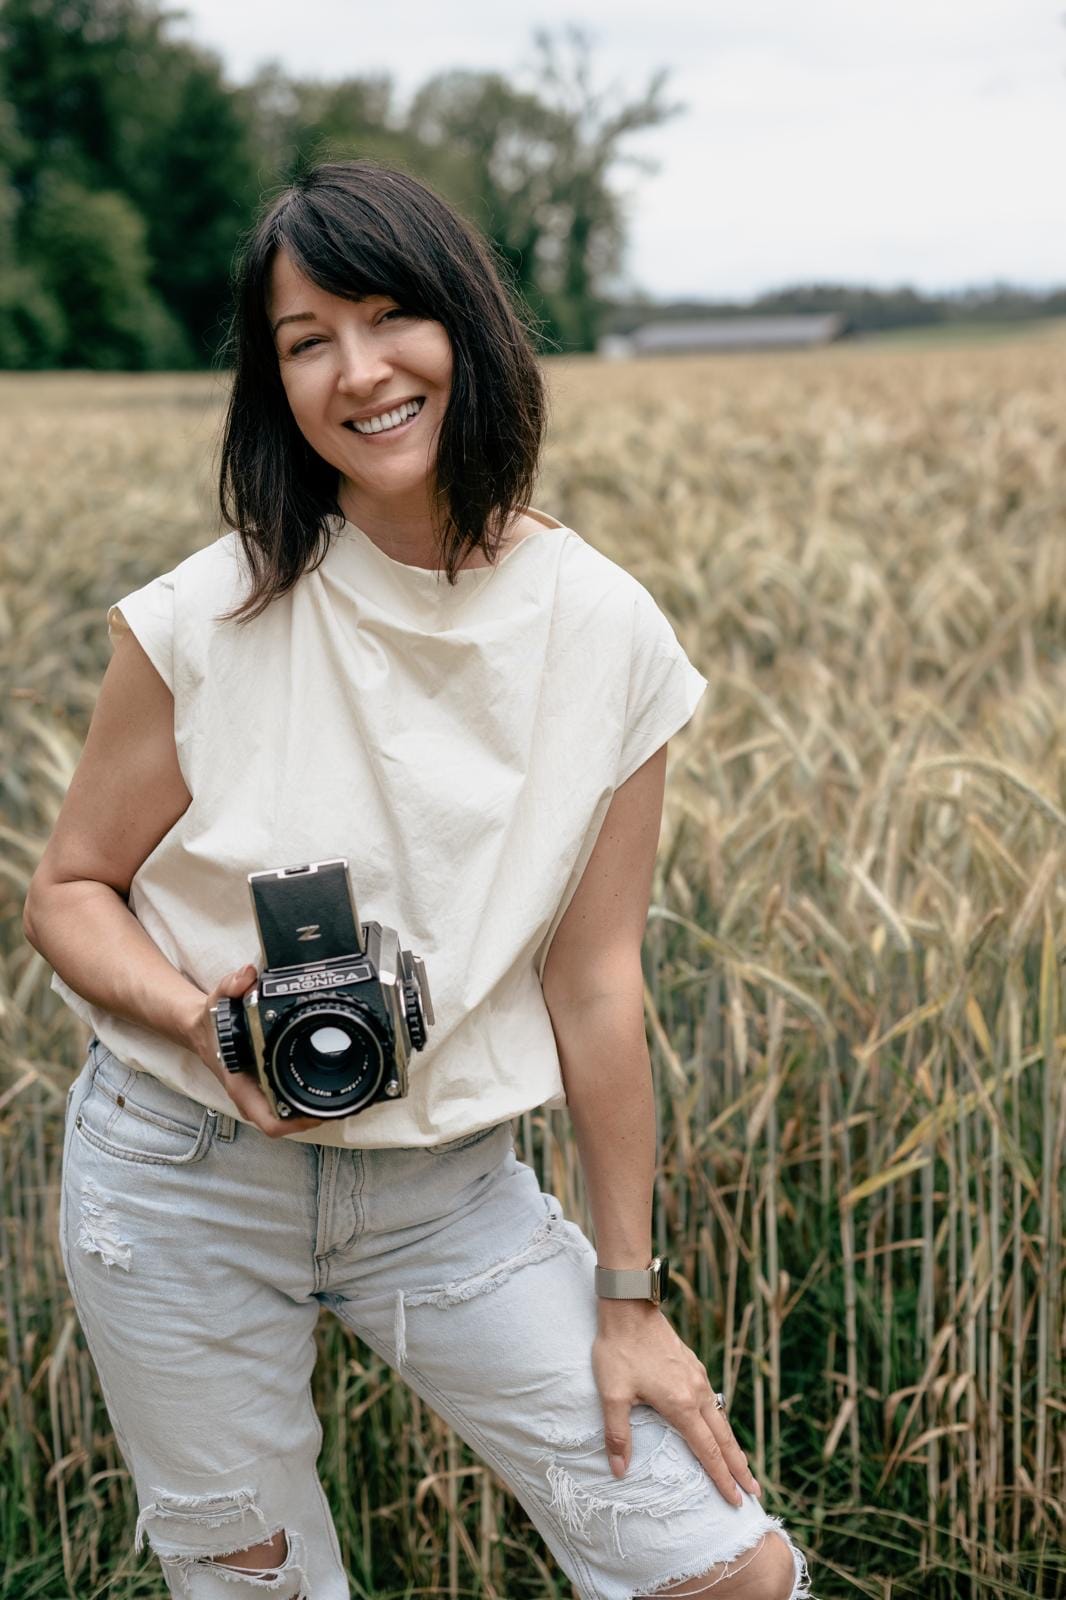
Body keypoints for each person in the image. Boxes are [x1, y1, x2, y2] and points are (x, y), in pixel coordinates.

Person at [24, 159, 813, 1600]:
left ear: (470, 328)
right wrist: (202, 1015)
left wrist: (629, 1302)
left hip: (450, 1193)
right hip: (182, 1173)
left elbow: (593, 982)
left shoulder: (604, 631)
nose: (358, 370)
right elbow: (69, 887)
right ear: (273, 383)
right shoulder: (206, 614)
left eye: (390, 317)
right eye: (305, 338)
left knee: (723, 1572)